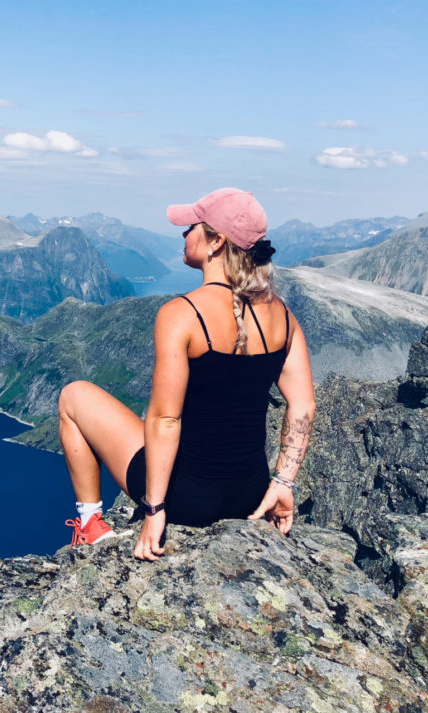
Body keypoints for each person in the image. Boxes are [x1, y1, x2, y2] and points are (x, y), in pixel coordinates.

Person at [58, 188, 316, 560]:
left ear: (216, 242)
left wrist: (154, 510)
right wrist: (283, 483)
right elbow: (303, 406)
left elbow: (165, 419)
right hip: (250, 496)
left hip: (187, 499)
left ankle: (90, 525)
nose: (184, 234)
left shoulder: (181, 315)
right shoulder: (284, 317)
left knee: (74, 396)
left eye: (192, 226)